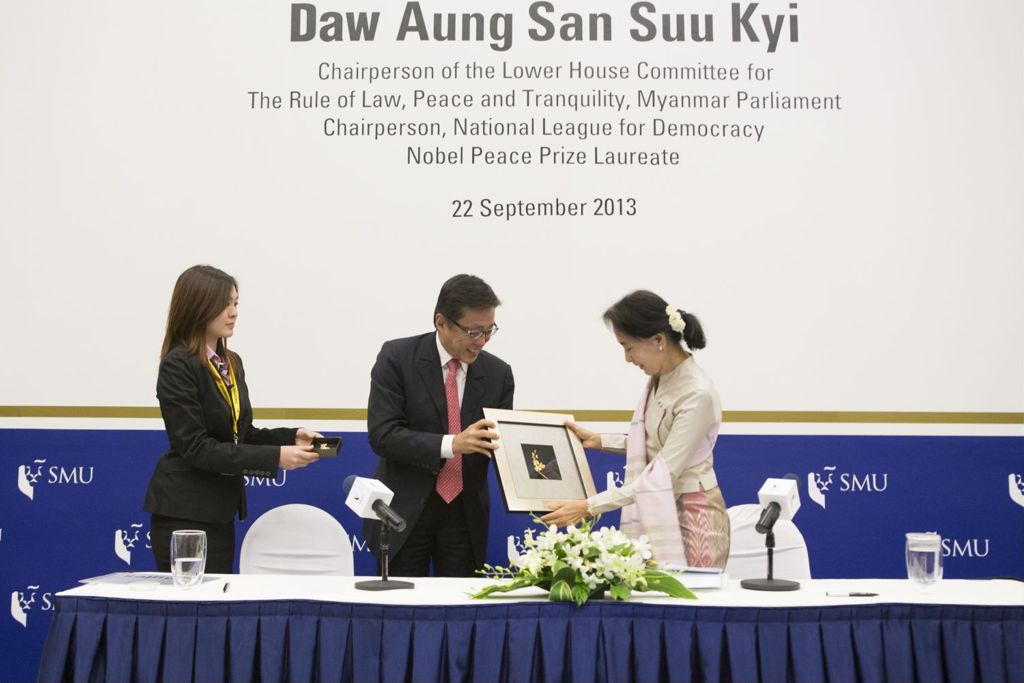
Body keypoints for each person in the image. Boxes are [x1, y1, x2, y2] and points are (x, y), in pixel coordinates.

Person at [144, 265, 322, 573]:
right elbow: (196, 447)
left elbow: (243, 434)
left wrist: (291, 437)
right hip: (184, 513)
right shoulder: (178, 365)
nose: (233, 312)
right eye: (225, 304)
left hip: (219, 511)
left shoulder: (231, 363)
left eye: (236, 303)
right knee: (190, 612)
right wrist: (276, 457)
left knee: (214, 608)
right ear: (198, 306)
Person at [542, 290, 730, 569]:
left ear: (658, 340)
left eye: (627, 347)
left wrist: (589, 506)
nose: (627, 358)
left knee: (690, 606)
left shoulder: (696, 393)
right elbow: (652, 443)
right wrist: (599, 441)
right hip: (662, 509)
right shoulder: (661, 378)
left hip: (694, 518)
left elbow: (659, 474)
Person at [366, 274, 514, 577]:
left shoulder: (498, 374)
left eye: (489, 331)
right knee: (402, 611)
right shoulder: (397, 358)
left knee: (460, 615)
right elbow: (383, 435)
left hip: (464, 515)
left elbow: (503, 445)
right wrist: (452, 444)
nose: (482, 342)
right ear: (441, 322)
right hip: (404, 511)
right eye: (473, 332)